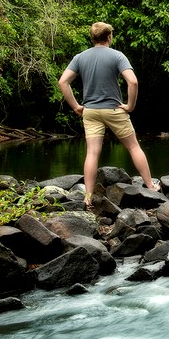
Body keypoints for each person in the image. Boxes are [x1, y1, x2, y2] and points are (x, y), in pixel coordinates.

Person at [58, 22, 160, 208]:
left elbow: (63, 82)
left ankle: (87, 197)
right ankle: (150, 185)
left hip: (90, 111)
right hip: (114, 110)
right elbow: (133, 82)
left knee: (92, 153)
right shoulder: (117, 56)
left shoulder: (80, 57)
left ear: (92, 38)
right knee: (134, 147)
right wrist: (130, 106)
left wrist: (75, 106)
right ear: (109, 37)